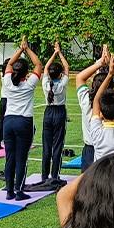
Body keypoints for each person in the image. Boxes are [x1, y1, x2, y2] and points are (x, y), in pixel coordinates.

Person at [0, 36, 41, 201]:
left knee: (10, 157)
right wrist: (27, 48)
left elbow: (9, 64)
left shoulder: (7, 81)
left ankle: (9, 191)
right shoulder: (29, 83)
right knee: (21, 158)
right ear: (26, 73)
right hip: (24, 122)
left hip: (8, 122)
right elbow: (38, 65)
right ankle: (18, 191)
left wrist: (20, 49)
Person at [40, 41, 69, 186]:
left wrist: (53, 53)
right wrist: (59, 52)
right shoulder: (62, 83)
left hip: (48, 112)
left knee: (46, 146)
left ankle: (44, 176)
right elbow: (67, 67)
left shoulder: (46, 84)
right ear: (60, 74)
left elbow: (45, 68)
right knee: (57, 145)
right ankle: (54, 175)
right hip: (59, 112)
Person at [75, 48, 109, 171]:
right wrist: (112, 65)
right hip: (108, 148)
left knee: (88, 187)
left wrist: (99, 63)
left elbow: (79, 78)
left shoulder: (85, 100)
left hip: (90, 148)